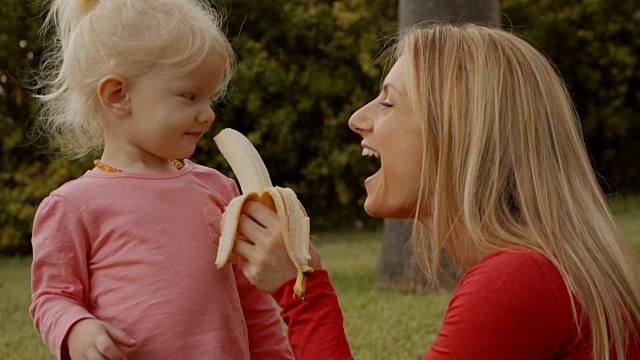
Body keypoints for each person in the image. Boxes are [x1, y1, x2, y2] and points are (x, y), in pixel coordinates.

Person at [232, 23, 640, 359]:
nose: (358, 119)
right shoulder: (548, 266)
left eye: (388, 104)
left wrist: (301, 292)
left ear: (458, 135)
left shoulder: (518, 280)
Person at [29, 0, 294, 359]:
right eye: (190, 96)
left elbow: (254, 303)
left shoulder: (219, 190)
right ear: (119, 96)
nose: (209, 114)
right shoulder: (73, 206)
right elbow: (52, 297)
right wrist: (75, 327)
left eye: (210, 97)